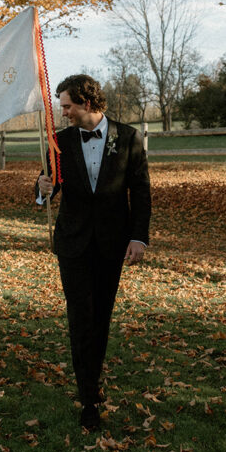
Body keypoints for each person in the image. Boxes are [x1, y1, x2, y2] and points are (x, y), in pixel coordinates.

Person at [37, 74, 151, 431]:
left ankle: (93, 378)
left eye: (68, 106)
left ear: (87, 104)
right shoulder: (58, 142)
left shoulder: (129, 138)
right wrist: (42, 189)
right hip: (72, 243)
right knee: (80, 317)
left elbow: (142, 193)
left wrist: (139, 238)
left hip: (112, 243)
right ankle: (88, 397)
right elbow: (47, 189)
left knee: (100, 317)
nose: (63, 112)